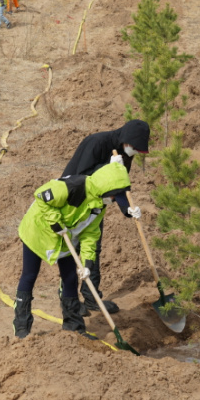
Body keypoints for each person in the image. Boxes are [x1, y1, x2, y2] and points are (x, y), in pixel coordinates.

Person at [13, 162, 132, 339]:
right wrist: (55, 222)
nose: (114, 201)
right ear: (106, 189)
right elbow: (41, 196)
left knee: (70, 278)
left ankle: (74, 327)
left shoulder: (99, 205)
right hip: (38, 231)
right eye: (114, 197)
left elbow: (90, 234)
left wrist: (87, 264)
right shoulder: (73, 187)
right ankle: (22, 327)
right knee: (30, 275)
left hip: (65, 237)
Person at [61, 120, 151, 315]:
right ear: (127, 140)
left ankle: (92, 297)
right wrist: (106, 166)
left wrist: (129, 210)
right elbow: (82, 176)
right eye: (135, 148)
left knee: (94, 248)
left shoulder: (125, 154)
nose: (135, 153)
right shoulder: (96, 143)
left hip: (97, 205)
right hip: (75, 203)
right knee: (72, 249)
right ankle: (69, 302)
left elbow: (118, 186)